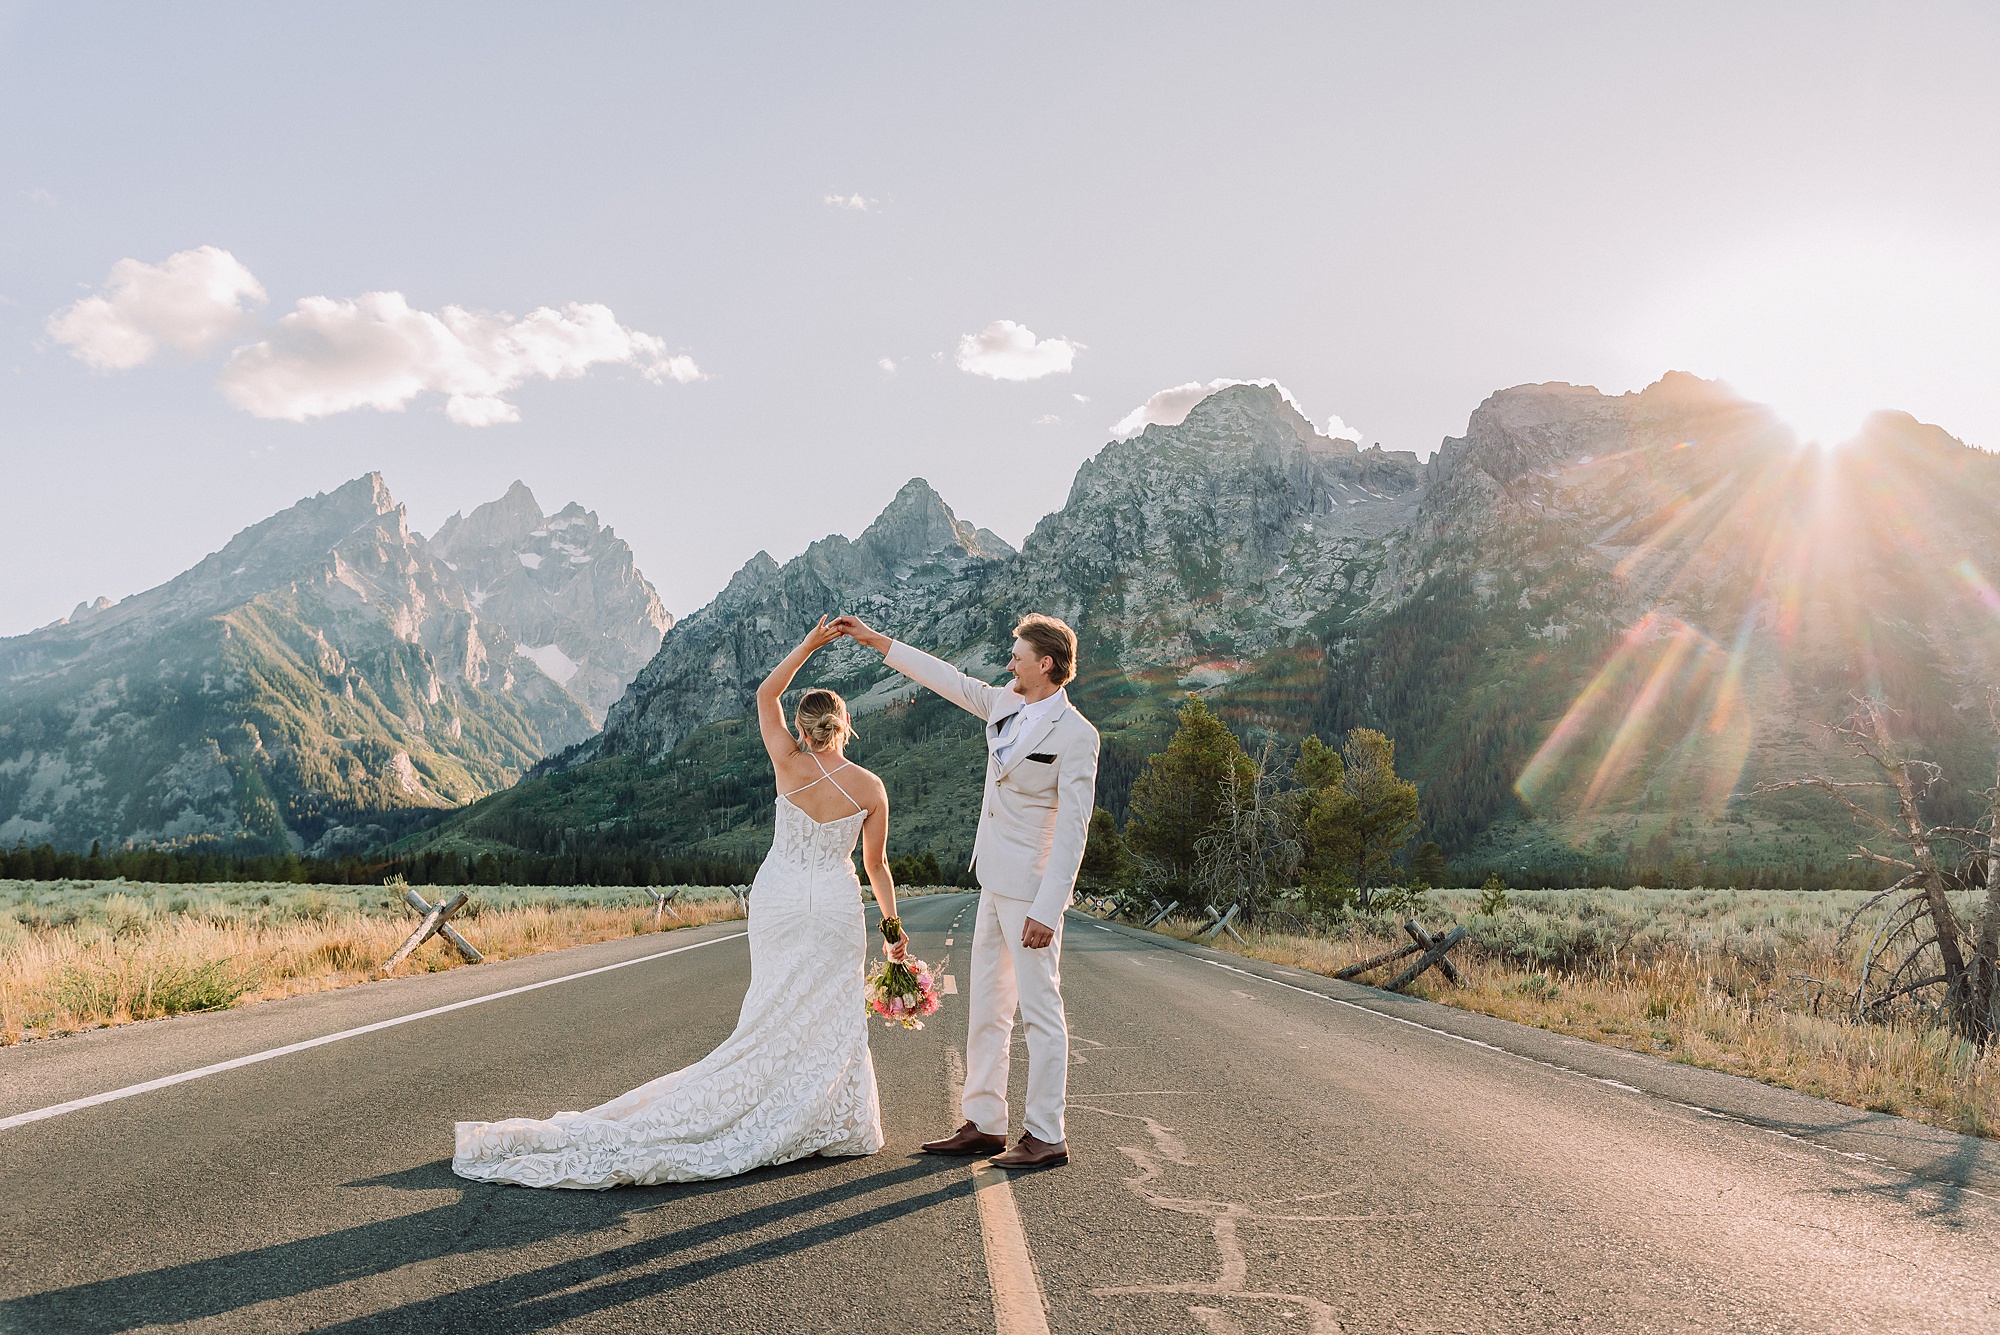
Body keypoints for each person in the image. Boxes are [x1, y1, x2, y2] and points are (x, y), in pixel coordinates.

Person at [452, 617, 907, 1189]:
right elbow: (876, 866)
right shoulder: (870, 787)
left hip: (781, 897)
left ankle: (768, 1098)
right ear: (846, 727)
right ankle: (831, 1119)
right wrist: (892, 932)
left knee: (772, 1005)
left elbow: (765, 691)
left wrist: (812, 643)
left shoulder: (787, 763)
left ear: (803, 726)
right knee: (828, 1009)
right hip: (836, 905)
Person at [831, 612, 1098, 1170]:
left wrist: (1048, 908)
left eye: (1018, 656)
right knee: (988, 1008)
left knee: (1040, 1012)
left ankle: (1046, 1133)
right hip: (992, 882)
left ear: (1045, 664)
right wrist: (875, 640)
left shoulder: (1077, 736)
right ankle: (985, 1123)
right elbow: (946, 679)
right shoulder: (1004, 703)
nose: (1009, 664)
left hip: (1032, 892)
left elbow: (1074, 830)